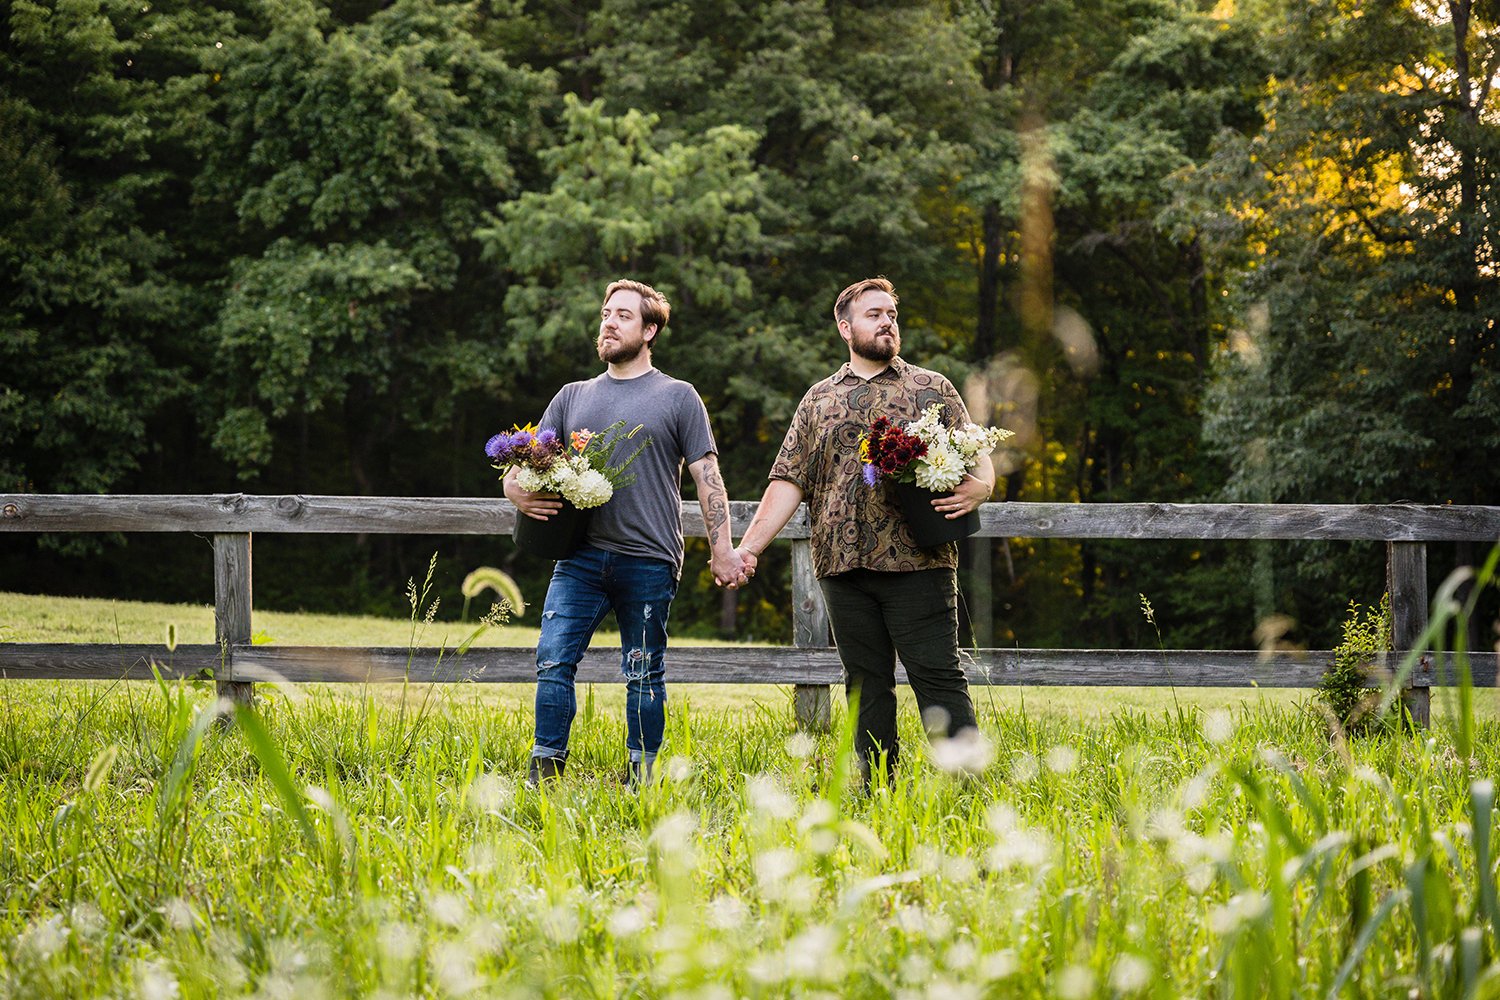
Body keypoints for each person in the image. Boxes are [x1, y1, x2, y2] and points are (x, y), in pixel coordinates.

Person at [732, 277, 993, 783]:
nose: (887, 322)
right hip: (841, 567)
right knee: (865, 684)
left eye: (892, 314)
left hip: (919, 560)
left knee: (938, 679)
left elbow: (979, 456)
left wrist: (983, 485)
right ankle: (876, 792)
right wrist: (748, 549)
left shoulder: (930, 388)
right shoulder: (818, 400)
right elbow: (788, 479)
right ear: (845, 326)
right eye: (875, 314)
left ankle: (969, 790)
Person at [506, 279, 747, 786]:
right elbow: (518, 462)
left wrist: (723, 549)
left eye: (623, 316)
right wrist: (515, 489)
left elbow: (708, 477)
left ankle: (642, 777)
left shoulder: (678, 397)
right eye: (605, 314)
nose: (609, 323)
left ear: (650, 329)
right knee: (552, 661)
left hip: (650, 559)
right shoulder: (572, 396)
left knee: (642, 673)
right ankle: (544, 772)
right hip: (580, 558)